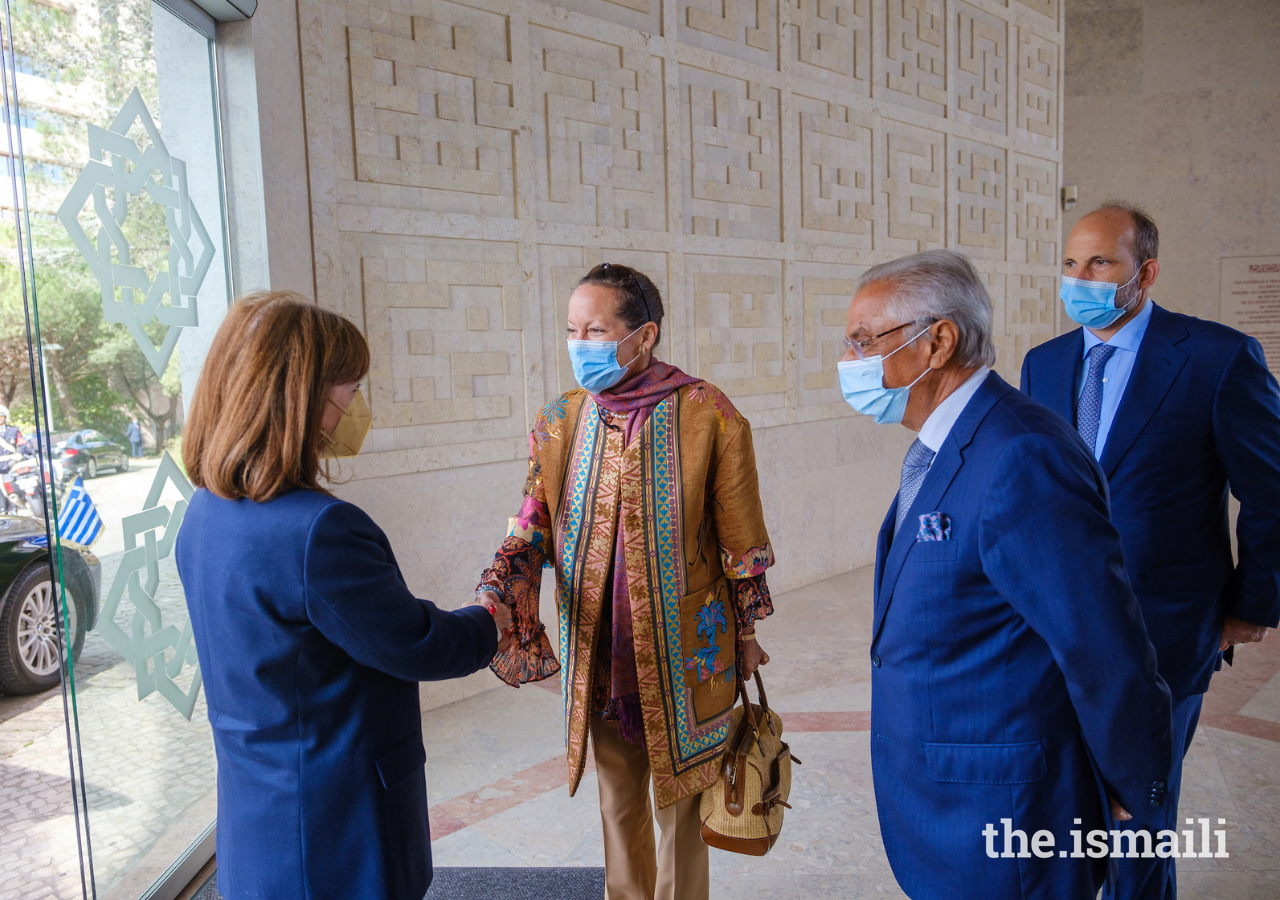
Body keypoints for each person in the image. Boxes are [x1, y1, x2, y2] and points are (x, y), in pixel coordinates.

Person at [839, 250, 1172, 899]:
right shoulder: (943, 447)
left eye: (862, 341)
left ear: (937, 341)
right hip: (947, 803)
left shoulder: (1021, 453)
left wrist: (1137, 793)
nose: (850, 361)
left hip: (1005, 820)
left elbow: (1105, 647)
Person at [175, 291, 512, 900]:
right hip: (334, 827)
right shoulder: (319, 530)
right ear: (301, 398)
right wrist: (493, 618)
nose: (355, 409)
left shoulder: (204, 513)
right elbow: (414, 643)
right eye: (350, 390)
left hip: (260, 815)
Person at [474, 263, 775, 900]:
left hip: (685, 649)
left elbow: (740, 544)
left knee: (684, 804)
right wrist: (500, 584)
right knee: (618, 802)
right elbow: (532, 522)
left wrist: (746, 633)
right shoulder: (560, 420)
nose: (581, 345)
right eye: (571, 331)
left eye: (596, 330)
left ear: (644, 336)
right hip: (600, 650)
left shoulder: (708, 415)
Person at [1020, 203, 1280, 900]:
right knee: (1064, 808)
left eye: (1100, 263)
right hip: (1056, 633)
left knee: (1140, 815)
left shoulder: (1217, 359)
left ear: (1147, 271)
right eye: (1071, 264)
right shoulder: (1043, 365)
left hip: (1163, 631)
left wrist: (1252, 602)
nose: (1081, 278)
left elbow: (1272, 491)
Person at [0, 406, 22, 515]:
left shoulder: (14, 430)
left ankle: (14, 511)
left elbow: (22, 444)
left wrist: (19, 454)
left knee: (12, 490)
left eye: (1, 416)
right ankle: (3, 513)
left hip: (10, 466)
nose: (0, 418)